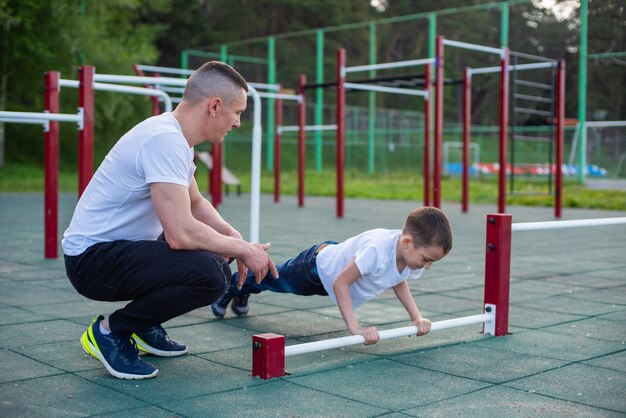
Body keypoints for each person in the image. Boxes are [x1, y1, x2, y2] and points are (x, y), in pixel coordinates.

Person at [62, 61, 278, 380]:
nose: (237, 123)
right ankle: (110, 332)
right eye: (238, 113)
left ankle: (142, 324)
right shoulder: (163, 140)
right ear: (215, 106)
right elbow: (179, 233)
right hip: (91, 261)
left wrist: (237, 241)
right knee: (209, 274)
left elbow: (195, 202)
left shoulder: (174, 137)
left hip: (118, 251)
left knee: (218, 260)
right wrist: (242, 249)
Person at [211, 206, 452, 344]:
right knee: (275, 279)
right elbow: (340, 283)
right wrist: (355, 327)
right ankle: (234, 287)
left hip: (338, 264)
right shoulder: (376, 250)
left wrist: (416, 317)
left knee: (274, 282)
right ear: (407, 242)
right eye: (426, 259)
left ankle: (242, 291)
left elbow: (398, 280)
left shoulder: (408, 255)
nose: (426, 266)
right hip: (316, 268)